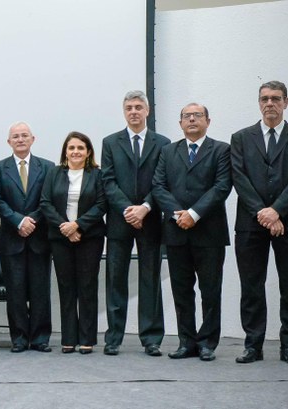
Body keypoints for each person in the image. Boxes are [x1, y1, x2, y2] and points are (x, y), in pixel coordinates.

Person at [231, 81, 288, 365]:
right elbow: (240, 180)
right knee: (252, 286)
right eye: (264, 99)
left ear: (286, 102)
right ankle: (253, 345)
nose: (270, 104)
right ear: (258, 103)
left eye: (276, 99)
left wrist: (277, 211)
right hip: (250, 224)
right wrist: (264, 214)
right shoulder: (241, 138)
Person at [152, 103, 232, 362]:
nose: (192, 119)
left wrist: (194, 214)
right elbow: (158, 186)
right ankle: (186, 342)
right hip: (177, 232)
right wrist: (179, 214)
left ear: (208, 120)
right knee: (181, 290)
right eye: (187, 116)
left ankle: (207, 343)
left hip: (209, 232)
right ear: (180, 124)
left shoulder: (221, 150)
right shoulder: (167, 151)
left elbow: (221, 187)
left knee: (210, 291)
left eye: (197, 115)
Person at [100, 91, 170, 357]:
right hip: (120, 221)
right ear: (123, 111)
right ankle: (114, 338)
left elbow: (162, 181)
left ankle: (151, 338)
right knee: (115, 279)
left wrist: (145, 208)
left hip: (150, 219)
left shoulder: (163, 143)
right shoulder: (110, 142)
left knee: (150, 279)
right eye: (129, 107)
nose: (134, 112)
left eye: (139, 107)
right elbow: (107, 181)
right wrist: (128, 210)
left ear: (147, 111)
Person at [40, 131, 107, 355]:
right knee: (66, 287)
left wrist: (77, 225)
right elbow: (46, 203)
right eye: (71, 148)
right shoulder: (54, 173)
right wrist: (65, 228)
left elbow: (101, 205)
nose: (75, 152)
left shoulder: (97, 175)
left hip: (90, 238)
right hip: (60, 238)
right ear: (65, 152)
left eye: (80, 148)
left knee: (87, 286)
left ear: (88, 152)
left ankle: (87, 338)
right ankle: (68, 337)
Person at [0, 122, 54, 353]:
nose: (20, 139)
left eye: (24, 135)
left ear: (33, 139)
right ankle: (18, 337)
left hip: (39, 238)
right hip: (11, 238)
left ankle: (40, 338)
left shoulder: (47, 167)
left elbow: (48, 199)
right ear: (9, 142)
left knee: (40, 290)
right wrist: (18, 220)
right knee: (15, 291)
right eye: (15, 136)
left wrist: (32, 220)